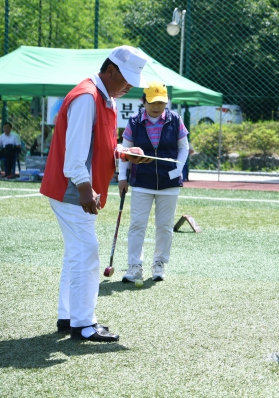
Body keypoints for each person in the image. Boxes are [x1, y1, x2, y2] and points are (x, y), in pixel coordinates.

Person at [40, 45, 152, 342]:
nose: (129, 86)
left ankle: (69, 316)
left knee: (77, 254)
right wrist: (86, 189)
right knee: (87, 254)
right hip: (72, 190)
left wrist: (124, 153)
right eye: (125, 79)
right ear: (110, 70)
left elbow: (97, 148)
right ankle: (84, 324)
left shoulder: (105, 99)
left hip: (75, 188)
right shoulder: (88, 97)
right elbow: (75, 156)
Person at [119, 81, 190, 283]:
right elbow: (125, 152)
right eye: (152, 102)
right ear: (144, 101)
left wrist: (179, 167)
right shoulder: (134, 122)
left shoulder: (175, 120)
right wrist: (122, 178)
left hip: (169, 182)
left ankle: (159, 264)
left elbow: (184, 147)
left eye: (161, 102)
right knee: (137, 225)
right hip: (141, 180)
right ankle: (134, 267)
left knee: (165, 226)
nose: (157, 107)